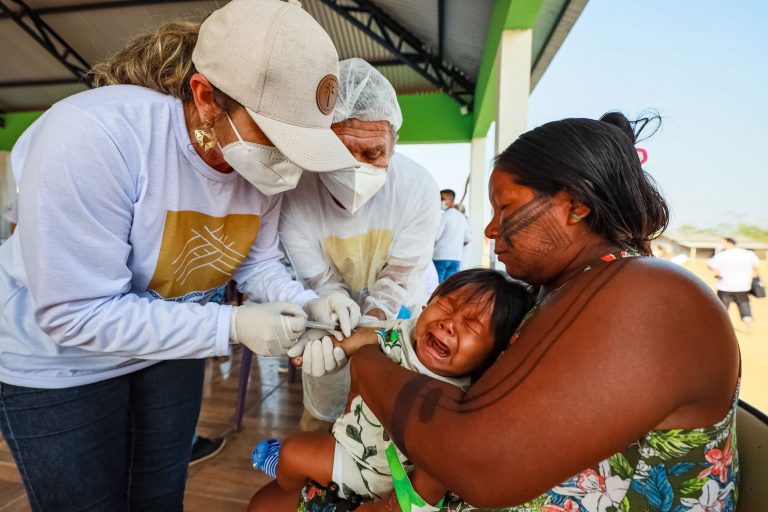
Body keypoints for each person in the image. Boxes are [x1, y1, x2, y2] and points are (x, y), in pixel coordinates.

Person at [0, 1, 362, 510]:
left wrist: (308, 302)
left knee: (161, 495)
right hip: (62, 363)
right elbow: (75, 312)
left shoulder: (259, 167)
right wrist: (231, 326)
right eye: (276, 137)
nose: (288, 161)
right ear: (206, 97)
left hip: (171, 348)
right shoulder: (97, 137)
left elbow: (255, 262)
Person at [294, 112, 740, 511]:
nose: (489, 228)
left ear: (576, 205)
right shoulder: (557, 293)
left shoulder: (650, 294)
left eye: (505, 206)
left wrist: (368, 357)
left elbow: (479, 465)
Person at [248, 269, 532, 511]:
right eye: (446, 306)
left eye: (471, 325)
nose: (449, 324)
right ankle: (290, 483)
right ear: (426, 305)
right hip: (349, 449)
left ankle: (288, 478)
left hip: (381, 476)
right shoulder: (402, 333)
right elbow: (364, 337)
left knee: (292, 453)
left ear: (491, 354)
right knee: (295, 451)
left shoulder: (467, 394)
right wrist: (319, 350)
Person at [278, 58, 441, 431]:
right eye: (341, 151)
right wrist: (339, 323)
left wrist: (363, 333)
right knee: (322, 415)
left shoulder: (417, 188)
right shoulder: (296, 196)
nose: (356, 168)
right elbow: (323, 283)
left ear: (392, 145)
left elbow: (397, 282)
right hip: (329, 316)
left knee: (392, 421)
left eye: (373, 154)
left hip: (404, 308)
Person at [709, 237, 759, 331]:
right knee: (744, 304)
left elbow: (711, 267)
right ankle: (747, 319)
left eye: (722, 242)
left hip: (725, 286)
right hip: (743, 286)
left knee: (723, 308)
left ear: (728, 243)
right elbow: (755, 265)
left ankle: (722, 327)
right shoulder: (748, 253)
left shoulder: (721, 255)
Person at [433, 189, 472, 282]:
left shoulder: (444, 216)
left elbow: (436, 236)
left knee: (436, 287)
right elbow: (468, 237)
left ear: (450, 199)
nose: (440, 201)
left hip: (440, 257)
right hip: (456, 258)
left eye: (442, 198)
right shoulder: (462, 217)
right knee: (449, 287)